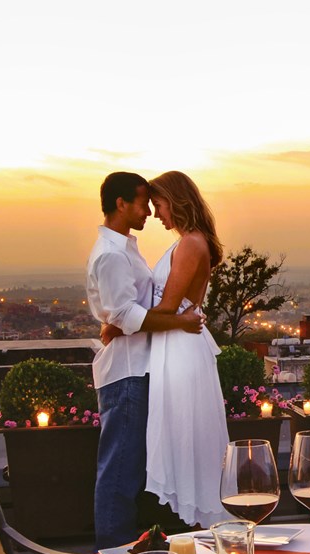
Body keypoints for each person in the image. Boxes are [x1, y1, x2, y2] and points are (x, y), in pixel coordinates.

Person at [104, 170, 230, 529]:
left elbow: (169, 305)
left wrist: (117, 325)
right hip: (172, 344)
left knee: (187, 437)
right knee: (182, 438)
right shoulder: (188, 242)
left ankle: (200, 525)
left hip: (180, 349)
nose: (156, 214)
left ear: (175, 202)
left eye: (158, 205)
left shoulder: (190, 243)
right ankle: (195, 526)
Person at [86, 171, 203, 550]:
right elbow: (124, 314)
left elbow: (125, 314)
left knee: (131, 466)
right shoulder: (111, 254)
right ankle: (112, 550)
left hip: (138, 366)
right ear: (121, 204)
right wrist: (179, 322)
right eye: (142, 204)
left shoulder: (124, 249)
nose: (149, 213)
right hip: (126, 371)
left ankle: (125, 548)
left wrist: (118, 324)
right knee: (120, 467)